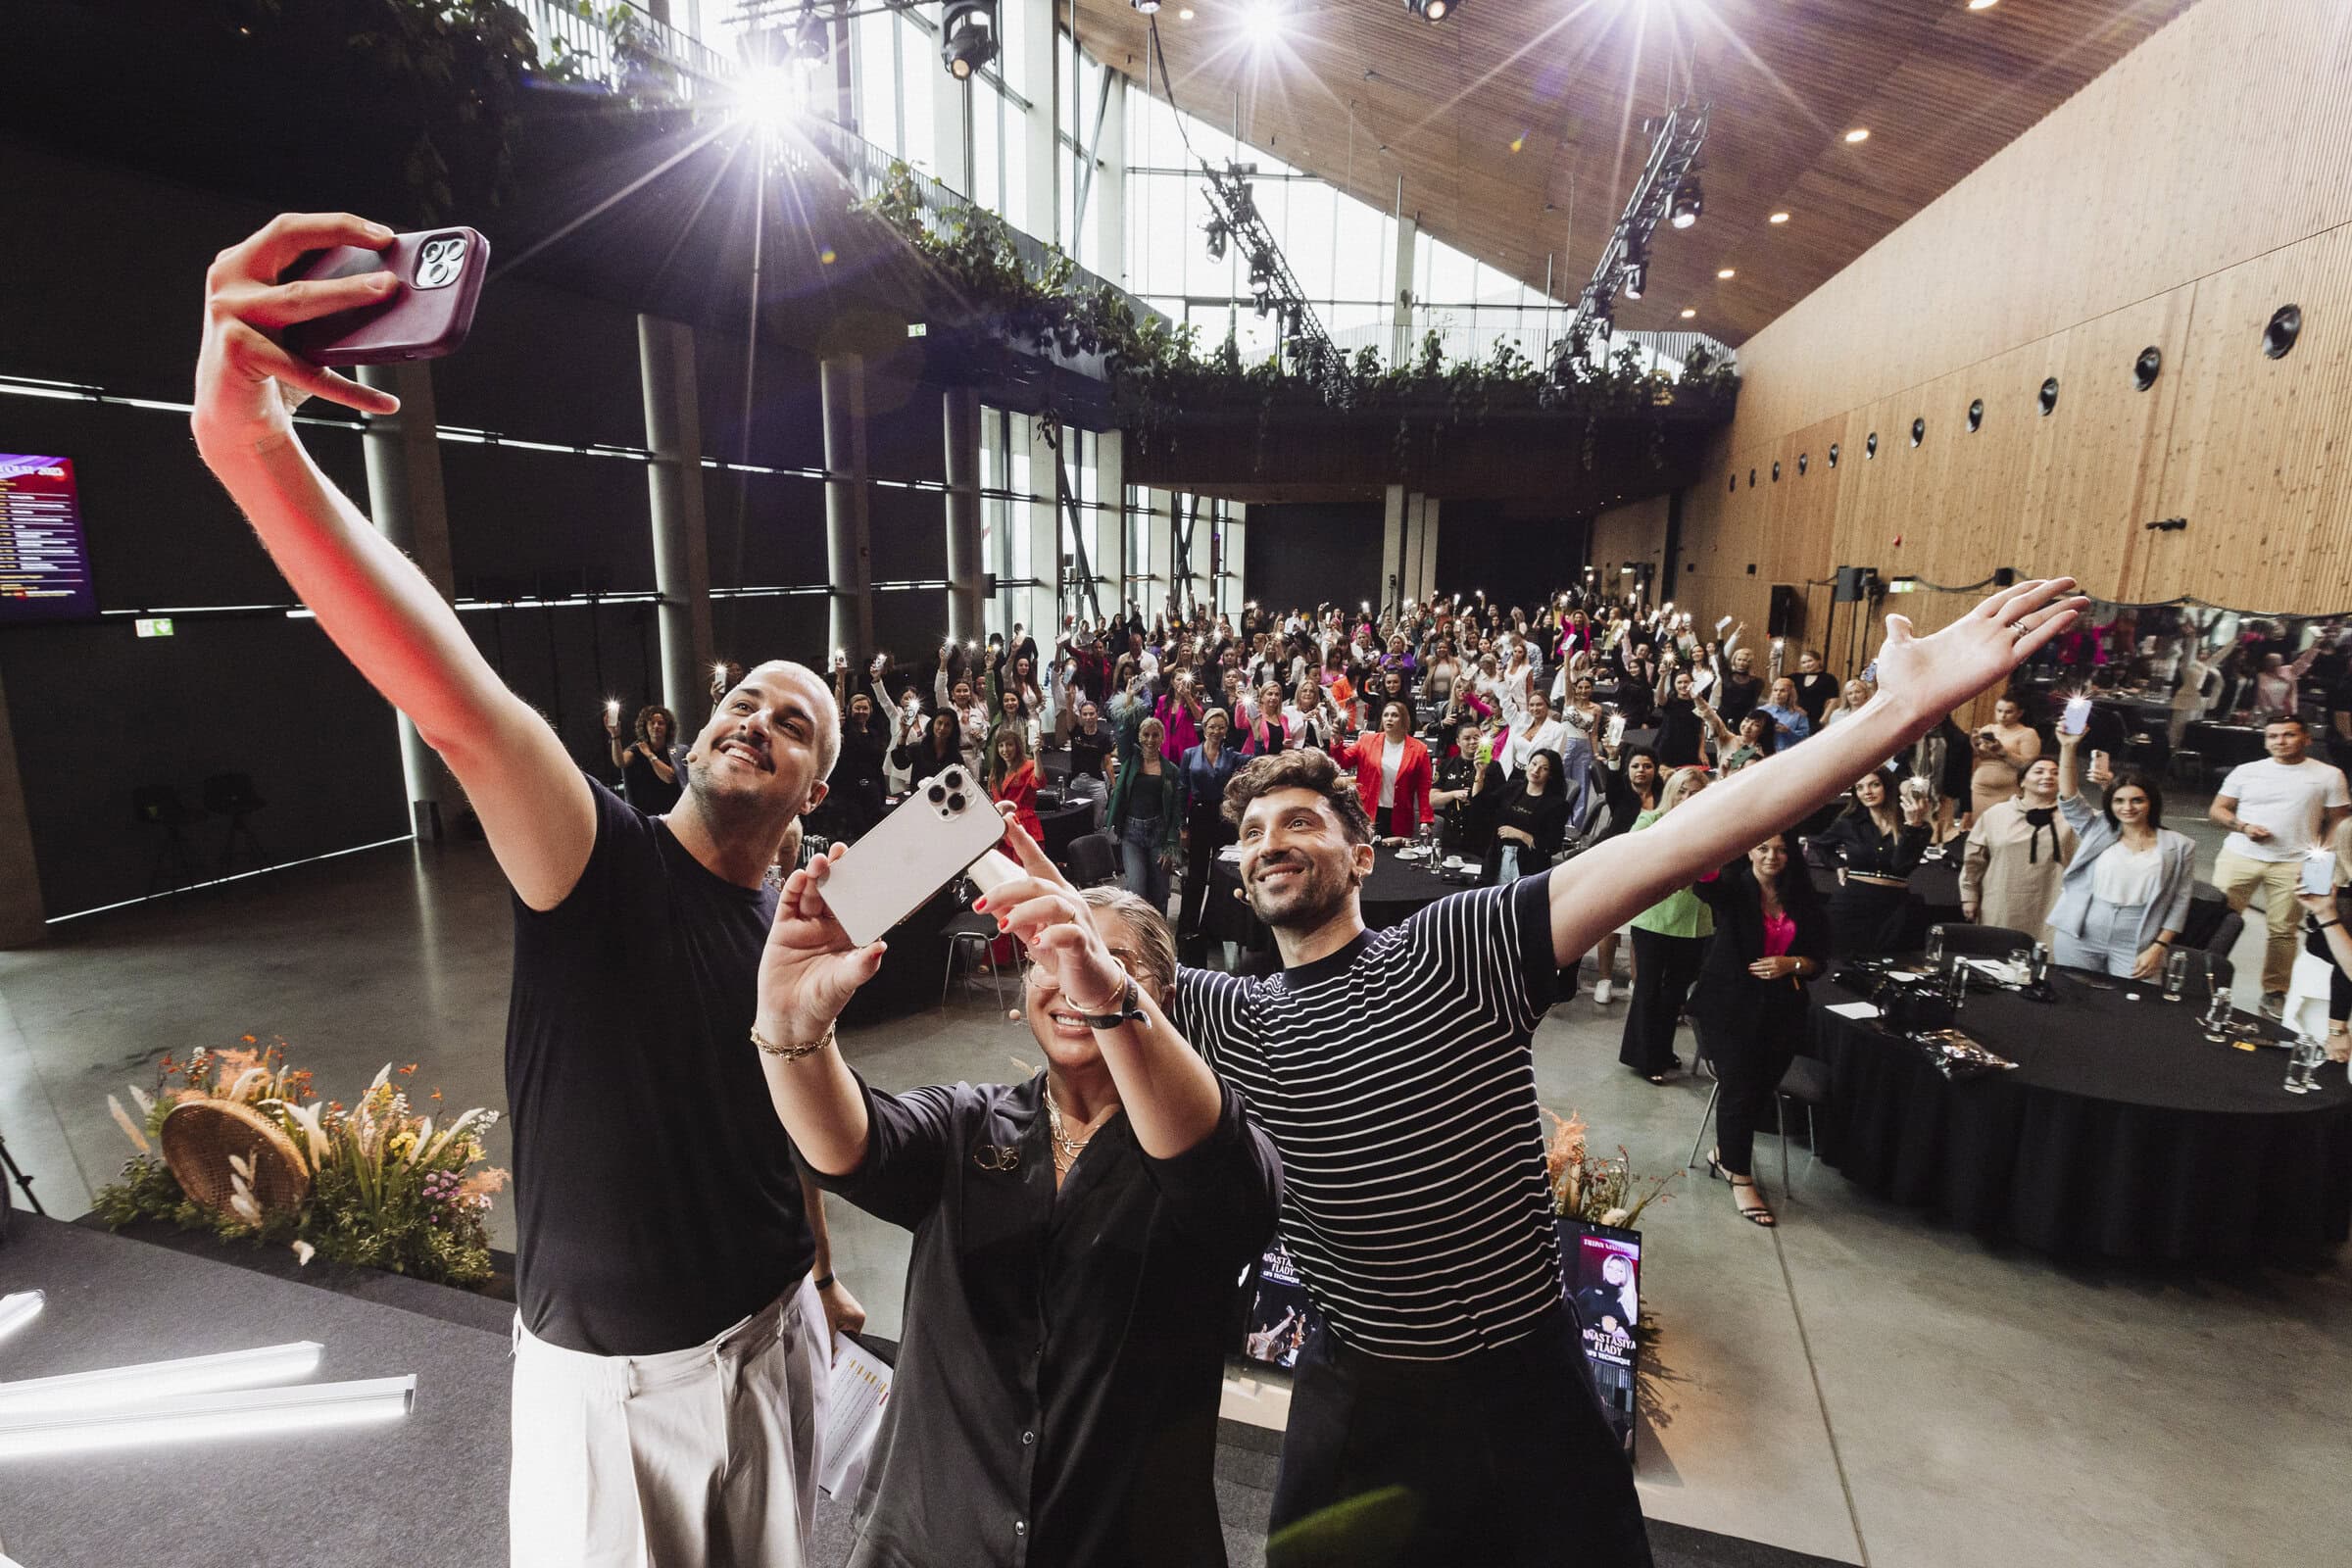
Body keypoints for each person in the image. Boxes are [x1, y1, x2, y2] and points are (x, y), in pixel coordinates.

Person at [1167, 570, 2087, 1568]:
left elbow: (1688, 834)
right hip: (1353, 1399)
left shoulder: (1457, 944)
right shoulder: (1233, 1015)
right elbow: (1086, 948)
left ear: (1362, 846)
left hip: (1518, 1383)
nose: (1272, 842)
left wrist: (1895, 710)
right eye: (1253, 832)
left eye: (1301, 820)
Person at [191, 212, 861, 1568]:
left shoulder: (783, 928)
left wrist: (825, 1265)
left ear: (813, 792)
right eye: (743, 699)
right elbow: (457, 702)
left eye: (794, 725)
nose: (755, 721)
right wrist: (254, 453)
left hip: (775, 1331)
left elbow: (774, 1122)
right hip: (623, 1393)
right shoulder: (598, 856)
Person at [754, 829, 1279, 1568]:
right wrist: (791, 1028)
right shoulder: (970, 1122)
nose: (1069, 978)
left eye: (1104, 958)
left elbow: (1236, 1203)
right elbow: (848, 1147)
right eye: (1049, 955)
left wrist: (1108, 993)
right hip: (934, 1541)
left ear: (1160, 994)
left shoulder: (1202, 1140)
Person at [1690, 832, 1831, 1228]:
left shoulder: (1803, 899)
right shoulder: (1735, 890)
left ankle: (1723, 1153)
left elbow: (1820, 959)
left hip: (1781, 1013)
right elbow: (1706, 883)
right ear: (1749, 850)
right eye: (1763, 847)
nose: (1772, 856)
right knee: (1739, 1086)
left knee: (1757, 1088)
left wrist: (1793, 964)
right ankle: (1740, 1175)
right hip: (1727, 1007)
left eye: (1781, 849)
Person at [2208, 715, 2352, 1012]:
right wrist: (2243, 827)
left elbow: (2339, 821)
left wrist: (2321, 860)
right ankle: (2206, 974)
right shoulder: (2247, 771)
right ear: (2265, 741)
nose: (2280, 741)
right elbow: (2218, 810)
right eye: (2273, 736)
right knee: (2217, 919)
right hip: (2240, 856)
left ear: (2307, 739)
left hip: (2296, 864)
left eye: (2288, 735)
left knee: (2283, 930)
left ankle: (2275, 991)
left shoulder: (2329, 775)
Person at [2050, 733, 2198, 977]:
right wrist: (2068, 747)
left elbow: (2180, 903)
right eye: (2119, 801)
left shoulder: (2180, 846)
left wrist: (2159, 946)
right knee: (2071, 996)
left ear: (2152, 803)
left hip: (2137, 935)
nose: (2127, 808)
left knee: (2129, 1005)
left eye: (2137, 800)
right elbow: (2069, 798)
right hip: (2082, 929)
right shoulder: (2098, 828)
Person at [1617, 767, 1714, 1083]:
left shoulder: (1712, 826)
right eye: (1682, 791)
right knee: (1648, 988)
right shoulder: (1651, 821)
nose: (1688, 798)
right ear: (1672, 791)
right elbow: (1633, 861)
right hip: (1656, 919)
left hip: (1694, 921)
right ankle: (1647, 1058)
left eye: (1695, 792)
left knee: (1675, 993)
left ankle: (1660, 1048)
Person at [1811, 772, 1934, 956]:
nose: (1866, 792)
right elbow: (1820, 845)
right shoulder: (1849, 822)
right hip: (1851, 903)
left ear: (1887, 786)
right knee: (1842, 963)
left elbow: (1901, 866)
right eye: (1859, 787)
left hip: (1894, 907)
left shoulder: (1917, 827)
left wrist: (1912, 827)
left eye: (1874, 785)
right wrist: (1838, 864)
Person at [1959, 757, 2075, 944]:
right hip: (2002, 901)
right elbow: (1974, 859)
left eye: (2055, 773)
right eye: (2039, 771)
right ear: (2022, 781)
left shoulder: (2075, 819)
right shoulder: (1997, 814)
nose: (2048, 776)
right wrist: (1969, 896)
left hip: (2052, 903)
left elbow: (2110, 824)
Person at [1587, 745, 1663, 1004]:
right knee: (1609, 924)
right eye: (1636, 766)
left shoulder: (1665, 796)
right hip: (1616, 863)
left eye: (1647, 766)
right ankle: (1604, 980)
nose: (1641, 771)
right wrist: (1613, 757)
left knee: (1639, 927)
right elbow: (1611, 780)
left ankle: (1636, 980)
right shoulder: (1621, 793)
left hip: (1649, 866)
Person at [1176, 710, 1245, 956]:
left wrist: (1258, 729)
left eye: (1221, 727)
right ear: (1204, 728)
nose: (1216, 731)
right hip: (1198, 817)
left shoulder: (1232, 757)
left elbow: (1259, 758)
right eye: (1212, 727)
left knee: (1219, 876)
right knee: (1195, 876)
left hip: (1224, 819)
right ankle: (1187, 927)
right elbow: (1182, 790)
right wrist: (1182, 826)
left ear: (1226, 730)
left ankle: (1212, 931)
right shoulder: (1190, 754)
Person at [1333, 699, 1434, 842]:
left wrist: (1426, 820)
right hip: (1369, 812)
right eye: (1386, 715)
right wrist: (1337, 742)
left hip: (1400, 815)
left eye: (1394, 715)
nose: (1389, 719)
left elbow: (1425, 789)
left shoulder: (1419, 749)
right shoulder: (1366, 741)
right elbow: (1342, 762)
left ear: (1404, 719)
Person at [1106, 715, 1181, 909]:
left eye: (1155, 735)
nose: (1150, 740)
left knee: (1160, 892)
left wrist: (1171, 844)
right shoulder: (1130, 760)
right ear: (1139, 737)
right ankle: (1138, 937)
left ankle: (1158, 937)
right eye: (1146, 734)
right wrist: (1129, 705)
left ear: (1162, 738)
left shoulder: (1171, 770)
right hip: (1132, 833)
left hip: (1158, 834)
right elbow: (1122, 737)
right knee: (1136, 890)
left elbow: (1176, 809)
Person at [1484, 748, 1571, 885]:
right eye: (1534, 764)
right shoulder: (1512, 787)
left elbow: (1553, 845)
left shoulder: (1557, 805)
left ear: (1551, 774)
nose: (1536, 770)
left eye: (1544, 768)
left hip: (1530, 864)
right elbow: (1484, 807)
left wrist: (1522, 836)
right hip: (1498, 856)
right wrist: (1480, 773)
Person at [609, 704, 683, 814]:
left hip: (671, 813)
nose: (656, 726)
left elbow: (669, 777)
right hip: (644, 815)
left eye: (661, 723)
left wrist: (649, 755)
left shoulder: (674, 750)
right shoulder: (638, 747)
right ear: (645, 726)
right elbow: (620, 762)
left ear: (667, 727)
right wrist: (615, 736)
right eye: (652, 723)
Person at [989, 723, 1047, 845]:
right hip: (1002, 831)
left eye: (1009, 745)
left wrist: (1036, 754)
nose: (1005, 750)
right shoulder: (996, 771)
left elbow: (1039, 782)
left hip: (1024, 827)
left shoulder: (1028, 765)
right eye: (1001, 746)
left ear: (1017, 747)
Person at [1066, 699, 1115, 810]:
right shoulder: (1075, 732)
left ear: (1097, 715)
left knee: (1097, 819)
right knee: (1077, 816)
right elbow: (1069, 715)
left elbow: (1107, 763)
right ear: (1081, 716)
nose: (1088, 717)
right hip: (1077, 781)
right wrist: (1068, 700)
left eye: (1091, 713)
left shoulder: (1104, 737)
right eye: (1085, 714)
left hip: (1096, 782)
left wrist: (1114, 785)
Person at [893, 708, 964, 785]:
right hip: (918, 795)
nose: (942, 728)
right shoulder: (918, 748)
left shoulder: (956, 756)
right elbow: (900, 764)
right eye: (939, 723)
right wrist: (904, 733)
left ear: (953, 729)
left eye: (947, 725)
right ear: (933, 723)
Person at [1965, 726, 2021, 825]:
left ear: (2019, 713)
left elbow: (2027, 765)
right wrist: (1973, 744)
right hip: (1981, 787)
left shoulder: (2027, 733)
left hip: (2007, 789)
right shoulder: (1986, 729)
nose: (2003, 715)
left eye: (2008, 712)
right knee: (1979, 825)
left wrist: (2002, 751)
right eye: (1999, 711)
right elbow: (1970, 756)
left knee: (2001, 825)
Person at [1757, 676, 1813, 747]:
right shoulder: (1761, 710)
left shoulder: (1799, 714)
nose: (1778, 693)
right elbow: (1748, 735)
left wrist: (1788, 731)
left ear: (1790, 693)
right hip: (1760, 751)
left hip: (1785, 753)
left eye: (1782, 690)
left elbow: (1805, 739)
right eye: (1775, 690)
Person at [1791, 650, 1838, 727]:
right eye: (1803, 662)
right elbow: (1775, 680)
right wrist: (1774, 663)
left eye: (1810, 661)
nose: (1807, 665)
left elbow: (1833, 701)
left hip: (1815, 719)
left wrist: (1823, 720)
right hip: (1795, 717)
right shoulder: (1797, 677)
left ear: (1818, 661)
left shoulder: (1828, 678)